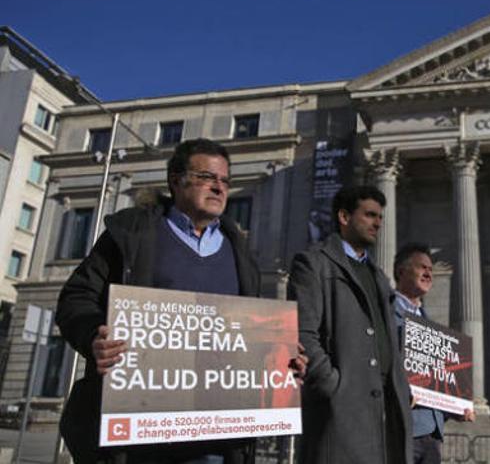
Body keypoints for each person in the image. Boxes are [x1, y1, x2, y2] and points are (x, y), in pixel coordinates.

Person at [55, 139, 307, 463]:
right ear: (176, 181)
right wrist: (93, 336)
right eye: (207, 177)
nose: (219, 188)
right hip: (138, 440)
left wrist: (286, 359)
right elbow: (76, 298)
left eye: (225, 181)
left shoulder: (239, 253)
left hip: (216, 442)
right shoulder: (132, 234)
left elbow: (248, 339)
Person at [289, 185, 412, 464]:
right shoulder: (314, 263)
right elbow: (303, 333)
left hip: (384, 409)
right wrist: (333, 386)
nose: (378, 223)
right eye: (369, 215)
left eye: (380, 217)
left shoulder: (378, 276)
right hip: (340, 411)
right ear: (344, 217)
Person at [391, 243, 475, 464]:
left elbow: (435, 385)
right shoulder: (385, 315)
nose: (429, 273)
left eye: (431, 269)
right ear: (401, 272)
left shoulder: (429, 326)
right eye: (422, 267)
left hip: (432, 433)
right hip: (400, 430)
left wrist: (455, 408)